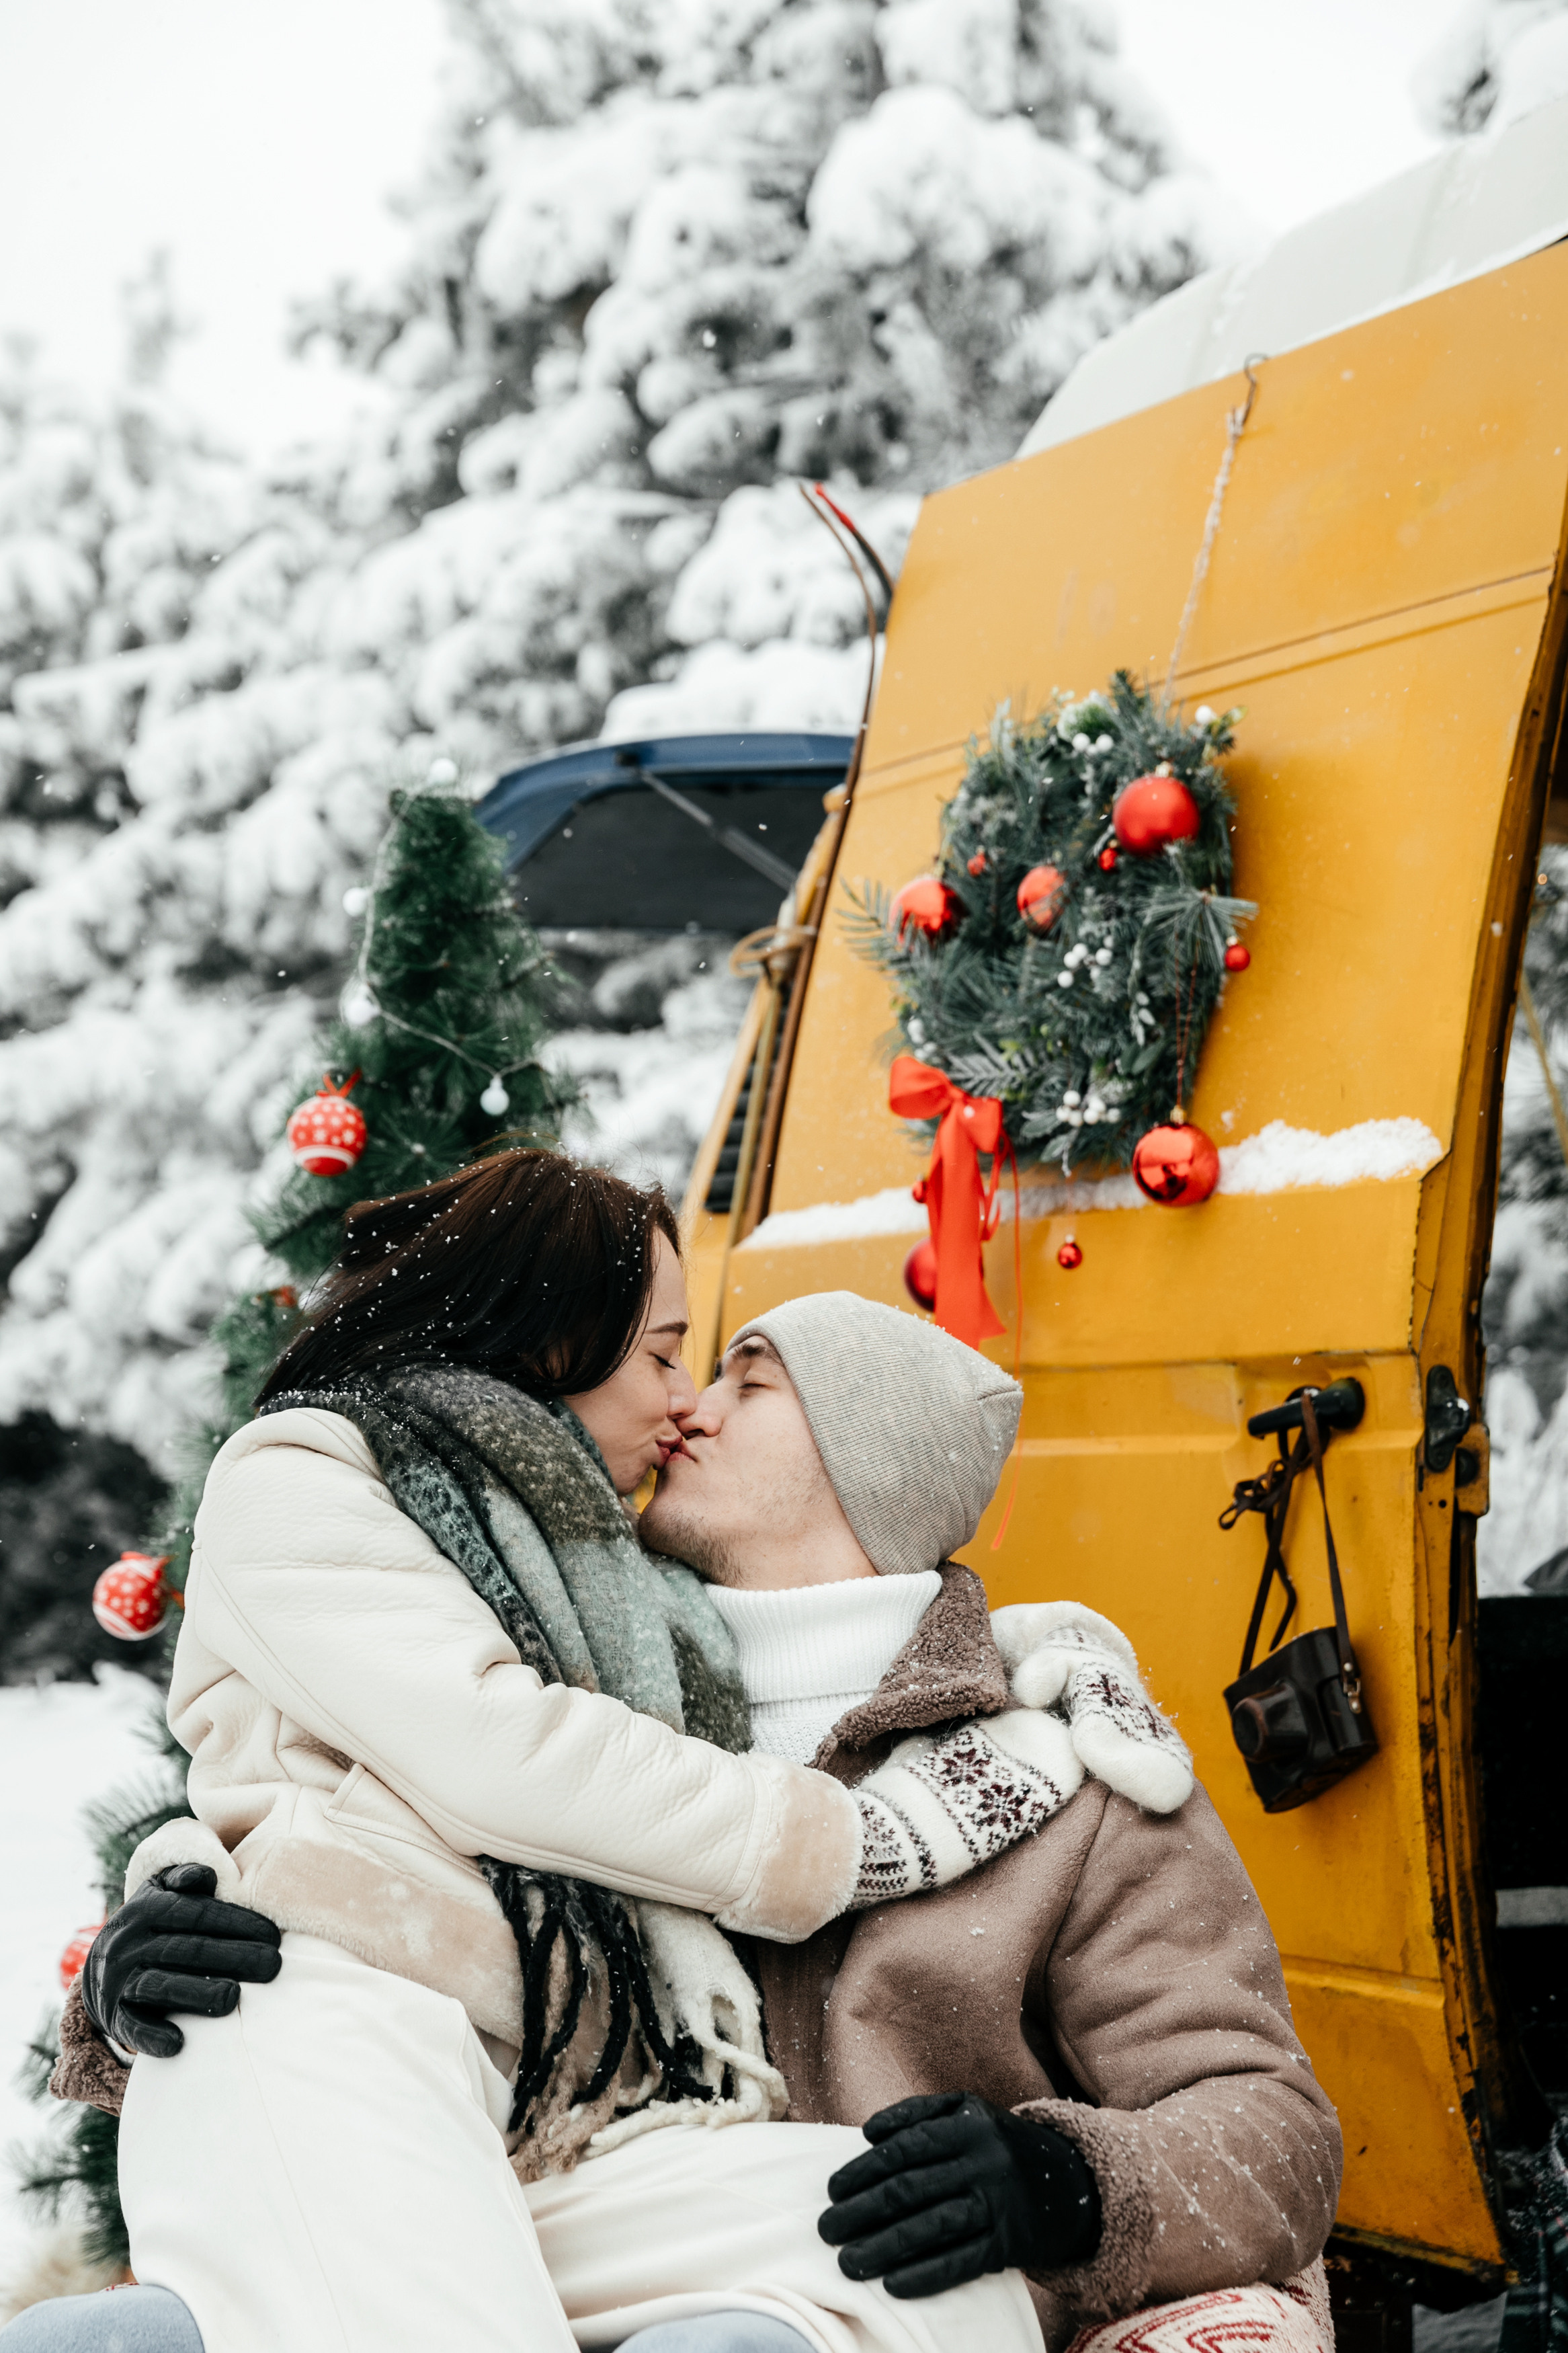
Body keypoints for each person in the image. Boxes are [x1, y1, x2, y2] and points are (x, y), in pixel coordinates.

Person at [24, 1278, 1342, 2353]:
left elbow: (1269, 2123)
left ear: (870, 1456)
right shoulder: (559, 1714)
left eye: (749, 1381)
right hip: (487, 2248)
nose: (684, 1408)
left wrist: (1061, 2183)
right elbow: (368, 1884)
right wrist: (161, 1967)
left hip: (830, 2291)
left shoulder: (1066, 1785)